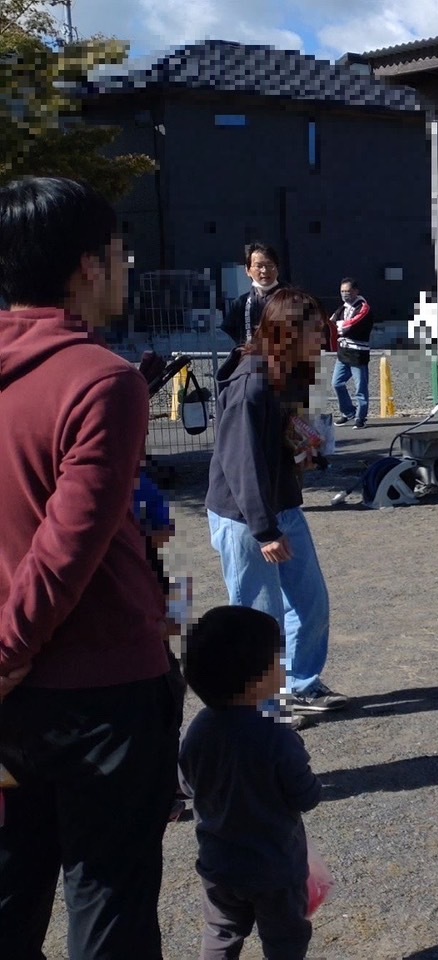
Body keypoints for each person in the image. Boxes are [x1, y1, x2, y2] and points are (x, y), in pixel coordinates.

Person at [0, 176, 180, 958]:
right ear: (87, 267)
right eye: (119, 252)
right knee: (107, 900)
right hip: (100, 690)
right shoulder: (101, 382)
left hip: (14, 702)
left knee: (9, 890)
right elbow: (60, 554)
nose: (127, 264)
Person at [207, 286, 347, 718]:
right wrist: (263, 529)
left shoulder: (290, 374)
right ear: (287, 333)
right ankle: (262, 708)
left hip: (282, 505)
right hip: (244, 516)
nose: (322, 339)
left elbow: (287, 434)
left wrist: (307, 450)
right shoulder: (251, 384)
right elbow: (240, 462)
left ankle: (303, 685)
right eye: (314, 332)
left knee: (311, 603)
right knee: (258, 616)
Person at [179, 605, 323, 960]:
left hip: (218, 863)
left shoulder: (198, 729)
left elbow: (185, 784)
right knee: (284, 940)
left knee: (221, 931)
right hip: (274, 866)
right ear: (260, 680)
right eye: (279, 660)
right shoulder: (275, 735)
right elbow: (306, 796)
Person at [221, 242, 282, 347]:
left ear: (277, 268)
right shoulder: (240, 303)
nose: (264, 270)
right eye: (259, 266)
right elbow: (232, 330)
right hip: (252, 358)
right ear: (247, 270)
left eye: (270, 265)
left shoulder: (293, 299)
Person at [331, 278, 374, 428]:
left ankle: (360, 417)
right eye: (342, 291)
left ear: (356, 291)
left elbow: (350, 326)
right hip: (343, 352)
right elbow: (331, 323)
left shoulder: (363, 307)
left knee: (360, 388)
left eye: (348, 291)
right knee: (336, 383)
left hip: (358, 353)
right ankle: (348, 411)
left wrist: (341, 327)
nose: (345, 294)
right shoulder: (342, 308)